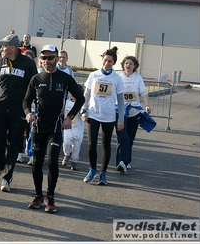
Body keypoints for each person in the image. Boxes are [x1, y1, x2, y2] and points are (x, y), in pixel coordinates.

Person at [23, 44, 84, 213]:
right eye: (44, 58)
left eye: (50, 57)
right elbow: (26, 101)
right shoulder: (36, 79)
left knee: (51, 162)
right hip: (38, 126)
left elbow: (80, 98)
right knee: (36, 162)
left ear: (57, 58)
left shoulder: (65, 78)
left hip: (56, 127)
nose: (47, 61)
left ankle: (50, 197)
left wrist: (69, 117)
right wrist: (28, 113)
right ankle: (38, 196)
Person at [0, 34, 37, 192]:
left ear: (13, 47)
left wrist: (30, 109)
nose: (1, 48)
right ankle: (0, 167)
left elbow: (34, 87)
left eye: (4, 46)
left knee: (14, 145)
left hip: (18, 111)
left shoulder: (28, 64)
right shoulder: (0, 63)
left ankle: (7, 179)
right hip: (0, 109)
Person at [81, 46, 125, 185]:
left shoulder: (117, 78)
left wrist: (121, 119)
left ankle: (103, 173)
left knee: (106, 145)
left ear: (114, 63)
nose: (107, 63)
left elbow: (121, 101)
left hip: (109, 116)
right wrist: (83, 110)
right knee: (91, 144)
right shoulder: (94, 75)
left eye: (110, 61)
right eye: (105, 60)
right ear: (102, 60)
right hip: (93, 114)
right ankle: (92, 169)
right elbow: (86, 95)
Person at [115, 55, 152, 173]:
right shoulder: (118, 78)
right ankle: (121, 162)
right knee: (123, 137)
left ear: (134, 66)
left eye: (131, 63)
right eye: (126, 63)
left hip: (134, 112)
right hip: (120, 111)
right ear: (123, 65)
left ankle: (126, 161)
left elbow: (143, 92)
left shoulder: (138, 78)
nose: (128, 65)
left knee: (130, 138)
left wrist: (147, 105)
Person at [61, 84, 85, 170]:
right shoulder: (66, 102)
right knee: (66, 143)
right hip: (67, 128)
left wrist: (84, 115)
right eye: (71, 93)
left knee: (76, 146)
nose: (72, 95)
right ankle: (67, 154)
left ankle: (74, 161)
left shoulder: (82, 104)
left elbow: (83, 112)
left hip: (78, 129)